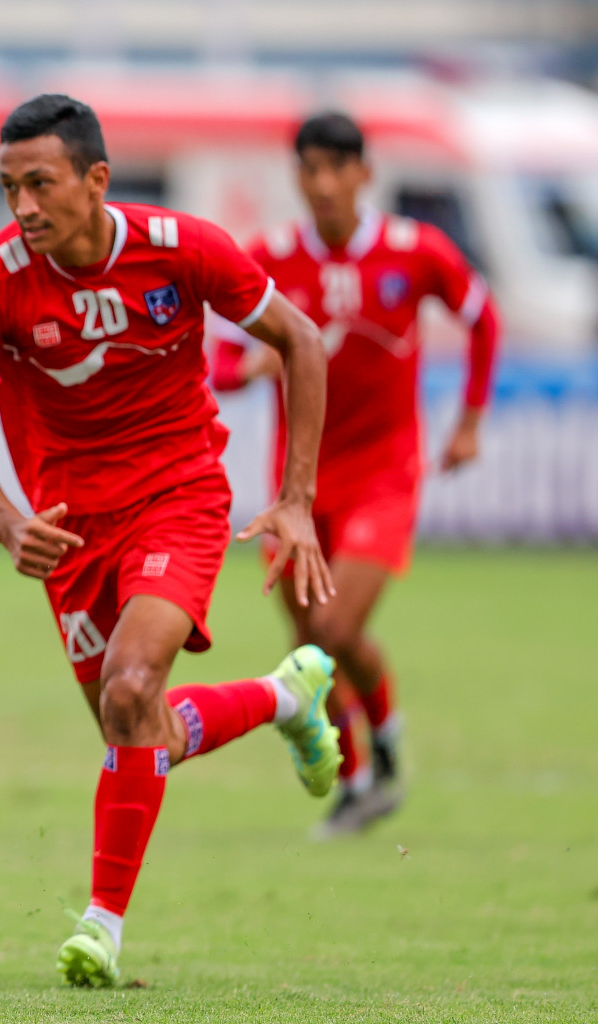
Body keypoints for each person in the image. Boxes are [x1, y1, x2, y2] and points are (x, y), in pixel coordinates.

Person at [0, 94, 340, 988]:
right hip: (67, 527)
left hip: (178, 495)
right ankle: (284, 698)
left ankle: (101, 927)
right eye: (9, 188)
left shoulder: (183, 247)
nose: (24, 209)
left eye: (40, 185)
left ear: (96, 179)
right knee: (138, 733)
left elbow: (302, 340)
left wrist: (296, 501)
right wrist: (6, 519)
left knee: (132, 690)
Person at [211, 111, 499, 837]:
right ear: (298, 177)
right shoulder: (270, 258)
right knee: (312, 642)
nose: (324, 184)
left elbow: (482, 317)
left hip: (383, 473)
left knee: (335, 629)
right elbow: (215, 355)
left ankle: (388, 742)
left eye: (339, 168)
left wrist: (467, 422)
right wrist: (249, 366)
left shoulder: (415, 252)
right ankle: (360, 779)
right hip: (298, 488)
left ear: (365, 174)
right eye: (311, 169)